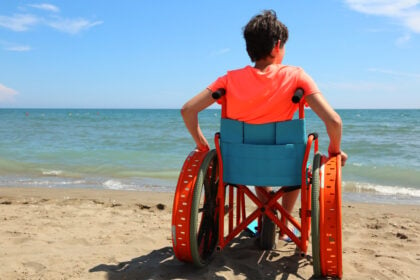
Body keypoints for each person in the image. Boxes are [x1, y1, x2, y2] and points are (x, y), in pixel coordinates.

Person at [181, 10, 347, 240]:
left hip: (236, 168)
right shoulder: (296, 76)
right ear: (278, 45)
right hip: (286, 168)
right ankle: (282, 224)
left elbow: (188, 110)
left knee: (257, 157)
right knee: (297, 165)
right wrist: (334, 151)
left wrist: (201, 144)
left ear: (249, 48)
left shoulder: (228, 80)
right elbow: (334, 121)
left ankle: (267, 217)